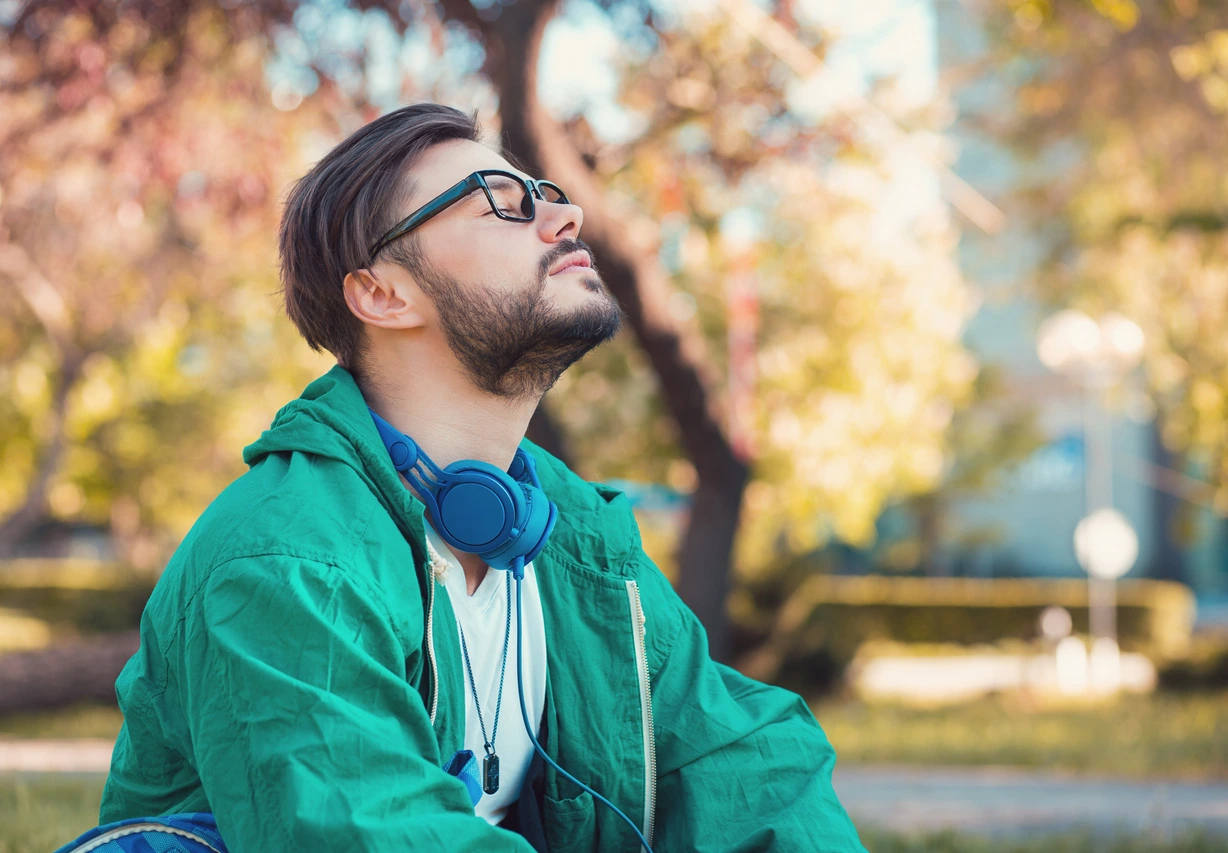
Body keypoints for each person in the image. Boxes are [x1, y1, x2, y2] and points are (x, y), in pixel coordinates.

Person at [97, 102, 867, 852]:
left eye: (548, 197)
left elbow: (749, 763)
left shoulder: (581, 542)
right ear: (382, 293)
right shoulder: (286, 557)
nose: (563, 219)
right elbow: (367, 831)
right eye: (499, 203)